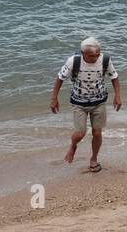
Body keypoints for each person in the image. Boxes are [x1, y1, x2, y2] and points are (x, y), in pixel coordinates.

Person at [51, 37, 121, 172]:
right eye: (91, 56)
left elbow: (114, 77)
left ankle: (94, 159)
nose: (95, 58)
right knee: (80, 133)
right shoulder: (74, 61)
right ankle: (73, 146)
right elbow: (60, 78)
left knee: (97, 132)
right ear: (82, 53)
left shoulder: (105, 59)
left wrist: (117, 96)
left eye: (97, 55)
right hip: (78, 103)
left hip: (99, 102)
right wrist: (54, 98)